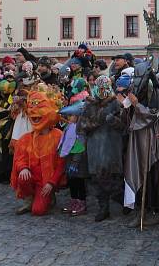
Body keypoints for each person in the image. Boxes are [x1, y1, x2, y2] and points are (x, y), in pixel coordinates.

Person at [124, 61, 159, 228]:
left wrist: (136, 104)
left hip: (151, 143)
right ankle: (140, 211)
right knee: (139, 172)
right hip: (138, 140)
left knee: (152, 176)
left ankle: (154, 211)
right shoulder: (139, 90)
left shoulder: (155, 92)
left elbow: (153, 115)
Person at [11, 86, 66, 216]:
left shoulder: (58, 136)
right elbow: (19, 159)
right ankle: (29, 199)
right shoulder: (25, 138)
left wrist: (51, 183)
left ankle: (48, 197)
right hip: (32, 178)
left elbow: (61, 163)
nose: (34, 112)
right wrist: (23, 168)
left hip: (46, 181)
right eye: (31, 107)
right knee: (23, 177)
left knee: (38, 211)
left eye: (40, 107)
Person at [79, 75, 124, 222]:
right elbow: (80, 126)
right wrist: (93, 123)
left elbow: (125, 125)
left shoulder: (116, 104)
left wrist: (114, 121)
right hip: (95, 147)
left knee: (112, 177)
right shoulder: (89, 105)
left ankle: (122, 201)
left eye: (105, 88)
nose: (102, 91)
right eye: (100, 88)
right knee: (97, 178)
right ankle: (103, 207)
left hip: (111, 146)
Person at [58, 98, 88, 216]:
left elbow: (80, 146)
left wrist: (75, 162)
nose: (69, 118)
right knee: (72, 182)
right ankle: (74, 200)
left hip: (78, 162)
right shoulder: (69, 127)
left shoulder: (80, 129)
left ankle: (82, 203)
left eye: (71, 115)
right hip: (70, 159)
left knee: (79, 182)